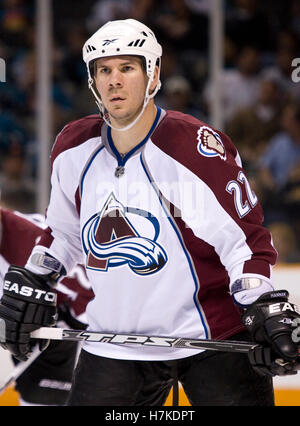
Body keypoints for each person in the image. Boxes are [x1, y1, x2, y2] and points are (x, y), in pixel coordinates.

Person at [0, 18, 299, 407]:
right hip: (115, 342)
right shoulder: (74, 148)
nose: (114, 80)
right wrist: (36, 277)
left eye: (127, 68)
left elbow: (242, 242)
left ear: (152, 73)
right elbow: (64, 234)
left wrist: (261, 304)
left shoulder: (190, 147)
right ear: (92, 81)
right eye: (104, 70)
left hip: (212, 337)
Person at [0, 206, 94, 405]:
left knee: (42, 397)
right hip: (16, 319)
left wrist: (72, 319)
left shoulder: (27, 241)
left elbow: (92, 287)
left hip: (48, 325)